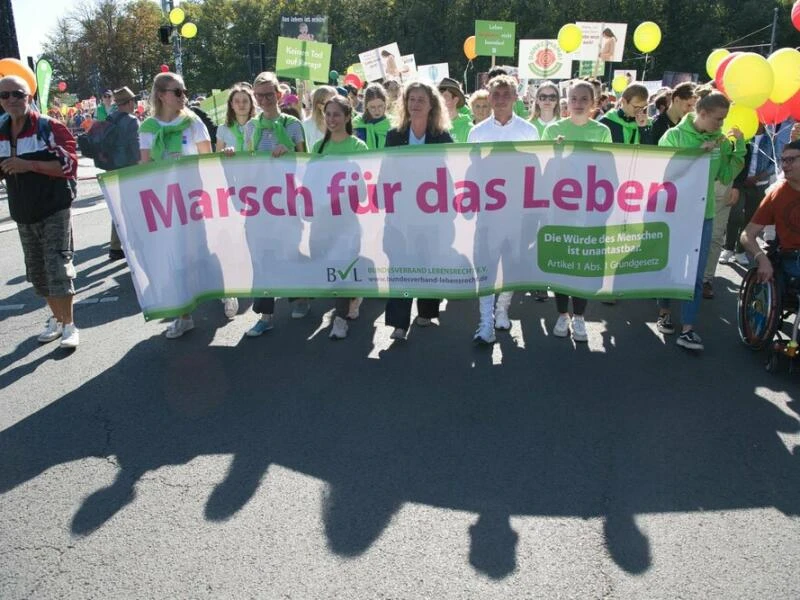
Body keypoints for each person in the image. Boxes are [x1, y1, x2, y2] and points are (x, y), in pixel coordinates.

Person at [656, 89, 745, 351]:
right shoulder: (673, 136)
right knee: (670, 268)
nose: (721, 125)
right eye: (718, 119)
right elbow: (664, 173)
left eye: (724, 120)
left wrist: (738, 146)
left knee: (695, 273)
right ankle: (664, 313)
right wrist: (696, 151)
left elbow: (726, 174)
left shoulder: (719, 140)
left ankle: (688, 329)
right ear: (702, 113)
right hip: (674, 214)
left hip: (704, 215)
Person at [0, 75, 80, 348]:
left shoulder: (48, 127)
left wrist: (28, 165)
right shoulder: (0, 130)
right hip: (23, 212)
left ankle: (70, 325)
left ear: (29, 97)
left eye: (17, 94)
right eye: (4, 96)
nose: (11, 100)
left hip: (54, 207)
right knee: (37, 273)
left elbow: (69, 166)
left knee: (57, 266)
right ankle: (56, 319)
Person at [138, 72, 214, 338]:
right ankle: (184, 315)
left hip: (195, 199)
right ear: (161, 95)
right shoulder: (148, 127)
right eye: (177, 92)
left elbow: (207, 159)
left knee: (203, 251)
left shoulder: (194, 123)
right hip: (165, 202)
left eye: (184, 91)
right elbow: (145, 166)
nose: (184, 96)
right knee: (174, 257)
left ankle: (225, 292)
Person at [468, 75, 540, 344]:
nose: (500, 99)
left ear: (515, 97)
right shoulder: (477, 132)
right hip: (487, 213)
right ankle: (484, 321)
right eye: (495, 94)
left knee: (512, 264)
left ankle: (502, 309)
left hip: (518, 212)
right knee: (486, 265)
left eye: (506, 93)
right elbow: (472, 172)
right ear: (489, 96)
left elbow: (536, 171)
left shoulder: (529, 131)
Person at [542, 81, 613, 342]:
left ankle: (580, 317)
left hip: (590, 207)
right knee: (563, 261)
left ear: (593, 103)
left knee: (583, 264)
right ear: (567, 101)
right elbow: (544, 168)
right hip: (560, 207)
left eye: (584, 98)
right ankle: (562, 315)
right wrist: (556, 154)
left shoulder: (602, 131)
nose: (579, 103)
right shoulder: (553, 129)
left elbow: (608, 169)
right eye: (574, 98)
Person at [384, 81, 453, 340]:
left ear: (431, 104)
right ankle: (399, 323)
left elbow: (450, 175)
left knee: (427, 262)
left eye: (420, 99)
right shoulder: (394, 135)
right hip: (401, 215)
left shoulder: (442, 137)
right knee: (400, 265)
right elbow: (386, 172)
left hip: (432, 216)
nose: (415, 104)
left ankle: (426, 311)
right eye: (411, 99)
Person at [243, 71, 309, 336]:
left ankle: (300, 296)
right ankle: (266, 315)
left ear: (279, 95)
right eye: (259, 96)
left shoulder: (293, 125)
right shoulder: (250, 127)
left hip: (288, 201)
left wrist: (289, 153)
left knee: (290, 250)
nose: (264, 100)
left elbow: (306, 163)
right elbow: (246, 163)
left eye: (269, 94)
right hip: (259, 204)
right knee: (262, 256)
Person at [312, 96, 369, 339]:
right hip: (323, 219)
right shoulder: (318, 148)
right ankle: (352, 297)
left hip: (347, 219)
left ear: (347, 117)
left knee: (344, 265)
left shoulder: (358, 147)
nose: (331, 119)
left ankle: (340, 318)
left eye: (336, 114)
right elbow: (309, 183)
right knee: (323, 261)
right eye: (327, 114)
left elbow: (365, 190)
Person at [739, 141, 800, 286]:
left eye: (790, 160)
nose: (784, 165)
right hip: (792, 259)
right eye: (783, 160)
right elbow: (746, 235)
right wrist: (761, 258)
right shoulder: (776, 194)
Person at [719, 124, 775, 270]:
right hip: (740, 182)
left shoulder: (770, 138)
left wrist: (759, 176)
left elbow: (774, 161)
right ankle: (728, 248)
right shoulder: (743, 136)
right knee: (735, 214)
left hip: (759, 184)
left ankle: (740, 251)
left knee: (751, 217)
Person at [107, 86, 141, 262]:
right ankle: (133, 245)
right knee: (134, 208)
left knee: (119, 208)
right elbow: (137, 147)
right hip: (129, 168)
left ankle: (115, 247)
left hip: (111, 168)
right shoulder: (131, 120)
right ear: (129, 103)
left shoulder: (109, 118)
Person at [215, 83, 256, 153]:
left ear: (251, 104)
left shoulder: (258, 127)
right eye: (237, 101)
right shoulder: (222, 129)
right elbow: (218, 157)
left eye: (245, 101)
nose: (241, 104)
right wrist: (224, 152)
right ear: (231, 105)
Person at [352, 83, 391, 150]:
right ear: (366, 106)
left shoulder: (392, 123)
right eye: (372, 107)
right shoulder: (357, 123)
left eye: (380, 106)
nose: (377, 111)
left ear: (385, 104)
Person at [438, 77, 472, 143]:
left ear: (455, 100)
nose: (441, 100)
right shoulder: (433, 127)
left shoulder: (468, 128)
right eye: (439, 97)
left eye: (445, 96)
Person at [303, 85, 337, 151]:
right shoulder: (306, 125)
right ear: (319, 105)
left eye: (337, 102)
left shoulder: (342, 124)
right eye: (331, 103)